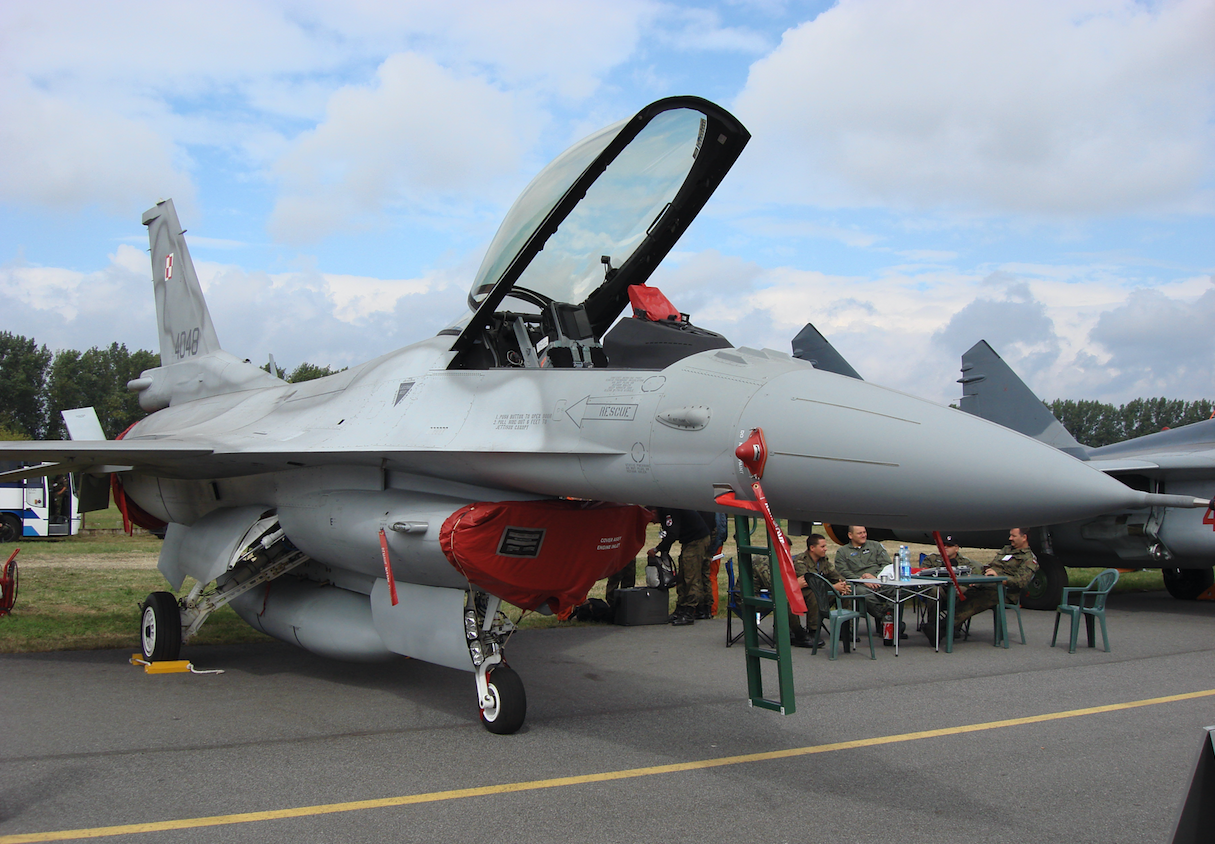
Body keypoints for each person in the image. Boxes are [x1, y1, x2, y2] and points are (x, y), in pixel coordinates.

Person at [925, 527, 1038, 646]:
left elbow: (1020, 582)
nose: (1010, 538)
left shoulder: (1029, 559)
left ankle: (939, 629)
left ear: (1024, 537)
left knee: (974, 601)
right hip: (987, 585)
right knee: (964, 594)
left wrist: (999, 577)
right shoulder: (1007, 550)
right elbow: (992, 565)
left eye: (1013, 536)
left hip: (1005, 592)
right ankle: (945, 630)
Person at [650, 509, 711, 626]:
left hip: (696, 540)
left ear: (653, 512)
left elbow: (672, 534)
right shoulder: (667, 511)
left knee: (691, 577)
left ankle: (689, 611)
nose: (653, 523)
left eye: (651, 519)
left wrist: (657, 549)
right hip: (689, 541)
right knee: (682, 576)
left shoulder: (670, 511)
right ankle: (681, 609)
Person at [790, 533, 849, 648]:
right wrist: (834, 587)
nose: (826, 549)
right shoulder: (801, 561)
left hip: (822, 592)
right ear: (812, 548)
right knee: (815, 594)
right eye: (822, 547)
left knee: (844, 592)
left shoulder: (823, 561)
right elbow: (810, 582)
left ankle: (846, 629)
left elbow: (836, 575)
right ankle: (813, 631)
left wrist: (843, 585)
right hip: (804, 595)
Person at [833, 525, 892, 626]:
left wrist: (875, 577)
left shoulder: (876, 546)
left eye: (864, 532)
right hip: (858, 584)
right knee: (862, 594)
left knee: (898, 590)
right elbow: (842, 571)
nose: (863, 535)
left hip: (878, 580)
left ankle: (891, 620)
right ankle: (884, 617)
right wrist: (861, 580)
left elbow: (887, 564)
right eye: (860, 533)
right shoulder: (842, 552)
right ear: (850, 535)